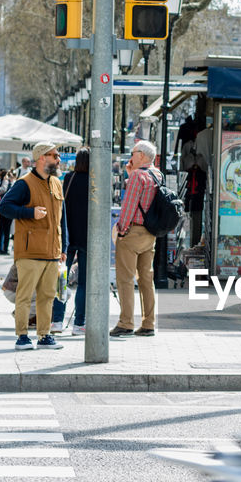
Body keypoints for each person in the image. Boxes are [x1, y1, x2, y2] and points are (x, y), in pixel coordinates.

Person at [0, 142, 67, 350]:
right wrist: (30, 213)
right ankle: (22, 336)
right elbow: (5, 207)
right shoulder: (24, 183)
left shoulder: (56, 183)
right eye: (54, 155)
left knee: (48, 296)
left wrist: (64, 247)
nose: (58, 159)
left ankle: (44, 335)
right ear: (41, 158)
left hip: (52, 250)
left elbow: (62, 218)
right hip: (29, 250)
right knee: (25, 296)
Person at [110, 140, 161, 338]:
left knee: (125, 279)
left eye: (132, 153)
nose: (130, 157)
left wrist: (121, 230)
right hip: (150, 233)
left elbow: (130, 206)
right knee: (146, 279)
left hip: (133, 233)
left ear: (141, 155)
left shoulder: (138, 176)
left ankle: (126, 322)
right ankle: (149, 323)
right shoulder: (157, 174)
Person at [51, 148, 89, 335]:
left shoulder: (69, 178)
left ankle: (57, 320)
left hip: (67, 235)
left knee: (62, 278)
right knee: (83, 282)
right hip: (88, 237)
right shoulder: (95, 180)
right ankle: (79, 323)